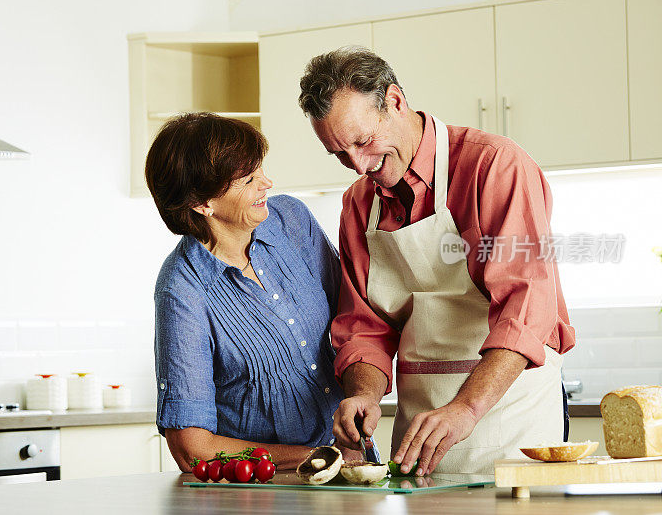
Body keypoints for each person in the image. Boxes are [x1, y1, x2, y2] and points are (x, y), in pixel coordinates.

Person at [298, 47, 576, 476]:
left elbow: (526, 306)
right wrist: (364, 396)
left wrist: (466, 407)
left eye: (363, 141)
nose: (358, 165)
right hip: (419, 430)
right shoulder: (358, 204)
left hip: (508, 414)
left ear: (394, 101)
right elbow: (365, 328)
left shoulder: (494, 167)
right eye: (340, 154)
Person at [146, 112, 354, 471]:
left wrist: (362, 394)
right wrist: (314, 457)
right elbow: (191, 448)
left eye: (260, 170)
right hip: (259, 492)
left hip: (345, 470)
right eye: (248, 180)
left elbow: (353, 321)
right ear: (202, 203)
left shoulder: (290, 219)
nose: (267, 183)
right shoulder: (182, 289)